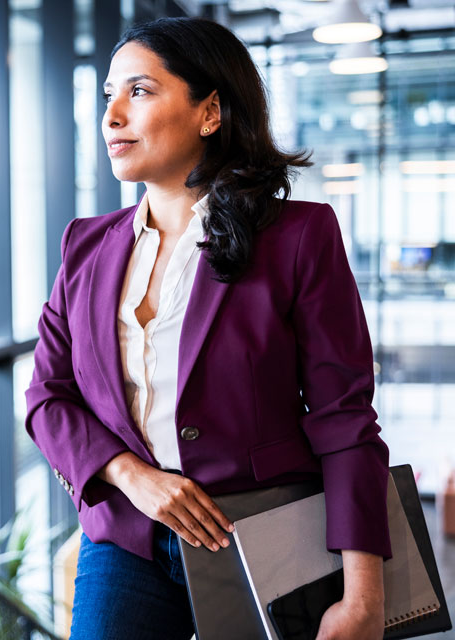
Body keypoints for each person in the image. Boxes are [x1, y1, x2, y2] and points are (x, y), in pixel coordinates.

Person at [25, 16, 392, 640]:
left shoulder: (298, 237)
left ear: (210, 112)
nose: (112, 115)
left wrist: (364, 595)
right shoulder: (84, 247)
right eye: (107, 95)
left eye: (138, 91)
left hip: (266, 534)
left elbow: (343, 415)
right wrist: (129, 475)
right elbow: (47, 398)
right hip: (129, 539)